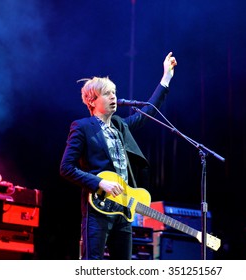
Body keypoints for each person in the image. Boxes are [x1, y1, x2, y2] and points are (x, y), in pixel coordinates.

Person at [59, 52, 177, 260]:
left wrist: (166, 78)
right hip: (98, 209)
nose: (113, 96)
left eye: (114, 92)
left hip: (123, 208)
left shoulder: (120, 126)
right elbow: (66, 168)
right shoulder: (82, 127)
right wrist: (99, 183)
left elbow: (147, 112)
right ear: (92, 101)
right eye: (107, 93)